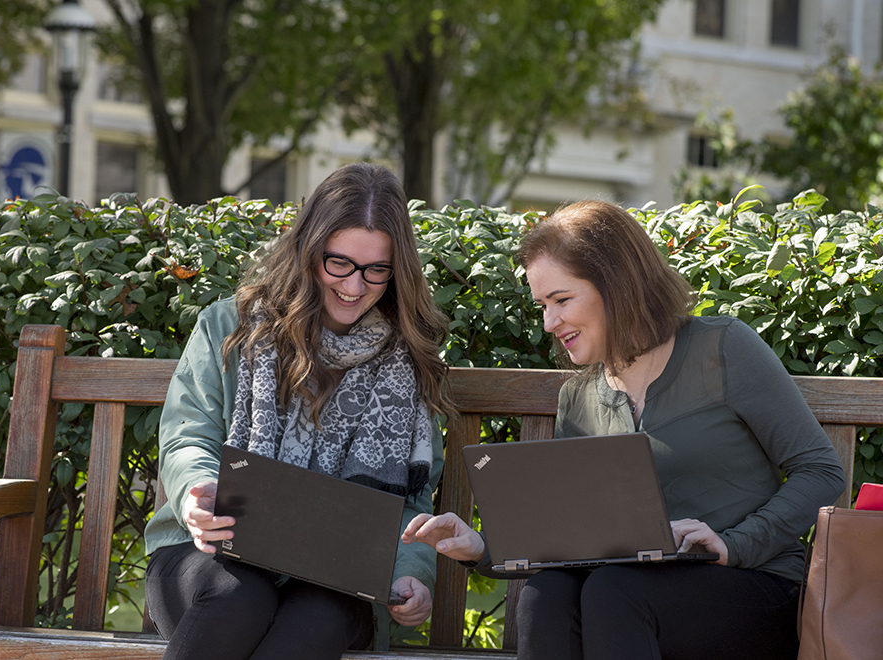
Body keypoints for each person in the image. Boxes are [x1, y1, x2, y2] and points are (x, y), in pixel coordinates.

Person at [403, 200, 846, 660]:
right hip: (631, 597)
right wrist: (480, 547)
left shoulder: (723, 349)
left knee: (615, 591)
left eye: (561, 300)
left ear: (616, 286)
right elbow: (570, 539)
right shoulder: (578, 398)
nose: (549, 323)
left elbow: (821, 472)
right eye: (542, 305)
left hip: (752, 587)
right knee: (548, 593)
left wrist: (733, 545)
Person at [143, 163, 454, 660]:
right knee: (239, 597)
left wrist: (411, 573)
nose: (355, 287)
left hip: (338, 577)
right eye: (340, 264)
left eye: (377, 270)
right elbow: (189, 436)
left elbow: (411, 504)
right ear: (309, 251)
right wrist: (198, 496)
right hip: (211, 550)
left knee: (312, 621)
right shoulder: (230, 326)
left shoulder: (407, 363)